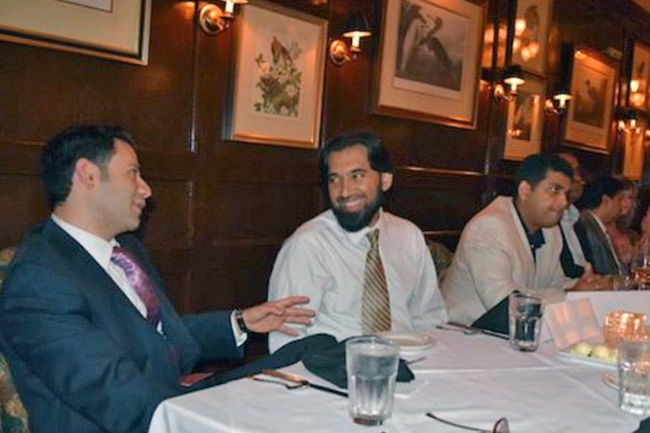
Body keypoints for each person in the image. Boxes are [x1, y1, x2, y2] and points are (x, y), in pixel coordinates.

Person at [0, 125, 315, 433]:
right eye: (133, 173)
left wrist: (241, 322)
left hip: (171, 403)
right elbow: (122, 401)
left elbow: (155, 337)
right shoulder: (38, 280)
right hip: (141, 418)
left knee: (316, 354)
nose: (146, 189)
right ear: (88, 176)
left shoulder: (125, 249)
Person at [267, 132, 447, 352]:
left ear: (385, 179)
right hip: (334, 371)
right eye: (334, 179)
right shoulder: (308, 245)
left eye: (357, 175)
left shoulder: (408, 235)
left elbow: (429, 317)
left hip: (410, 361)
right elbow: (286, 340)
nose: (344, 191)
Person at [441, 154, 607, 326]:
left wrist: (583, 286)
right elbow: (504, 304)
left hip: (513, 331)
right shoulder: (489, 226)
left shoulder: (550, 229)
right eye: (554, 190)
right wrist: (570, 295)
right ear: (525, 191)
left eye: (566, 193)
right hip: (464, 335)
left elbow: (553, 282)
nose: (563, 202)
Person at [577, 176, 628, 275]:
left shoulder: (596, 227)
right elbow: (600, 270)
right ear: (606, 200)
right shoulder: (587, 227)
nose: (621, 206)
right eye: (619, 200)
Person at [556, 152, 588, 277]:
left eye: (578, 172)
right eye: (571, 172)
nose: (578, 178)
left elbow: (589, 264)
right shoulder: (547, 220)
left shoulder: (576, 218)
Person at [606, 178, 639, 267]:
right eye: (621, 197)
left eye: (630, 197)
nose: (626, 202)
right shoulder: (595, 231)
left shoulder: (632, 235)